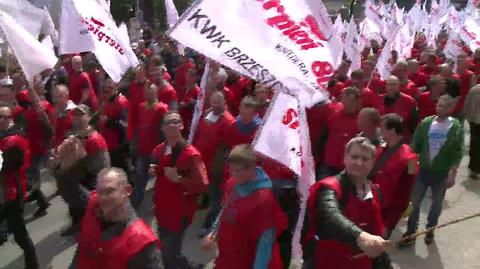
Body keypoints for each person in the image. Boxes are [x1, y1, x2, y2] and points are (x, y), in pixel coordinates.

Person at [301, 137, 391, 269]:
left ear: (373, 163)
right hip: (325, 262)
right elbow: (330, 216)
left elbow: (376, 235)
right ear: (345, 158)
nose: (359, 162)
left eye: (365, 159)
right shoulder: (329, 187)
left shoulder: (375, 191)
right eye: (354, 157)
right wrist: (361, 237)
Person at [203, 144, 288, 269]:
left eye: (239, 170)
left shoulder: (264, 198)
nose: (234, 174)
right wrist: (213, 233)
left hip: (248, 259)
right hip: (228, 257)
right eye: (231, 169)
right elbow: (224, 209)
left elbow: (266, 241)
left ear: (252, 168)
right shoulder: (231, 183)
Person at [401, 95, 464, 246]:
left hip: (441, 174)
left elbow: (458, 152)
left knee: (436, 205)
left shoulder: (455, 127)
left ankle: (430, 229)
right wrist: (408, 165)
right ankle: (411, 232)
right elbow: (415, 146)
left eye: (444, 106)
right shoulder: (426, 123)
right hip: (422, 172)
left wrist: (452, 174)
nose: (440, 108)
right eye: (439, 105)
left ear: (451, 108)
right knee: (414, 204)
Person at [69, 168, 162, 269]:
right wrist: (63, 169)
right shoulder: (94, 206)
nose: (103, 198)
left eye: (109, 191)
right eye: (100, 192)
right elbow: (71, 191)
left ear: (127, 191)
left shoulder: (141, 241)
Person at [151, 111, 209, 269]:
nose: (171, 125)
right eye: (167, 122)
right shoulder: (159, 150)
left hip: (179, 212)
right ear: (162, 128)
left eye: (175, 121)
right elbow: (159, 171)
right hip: (162, 209)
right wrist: (155, 170)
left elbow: (203, 185)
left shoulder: (191, 154)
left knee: (170, 252)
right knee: (167, 249)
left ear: (182, 126)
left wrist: (179, 180)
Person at [53, 104, 111, 236]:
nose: (77, 118)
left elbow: (102, 164)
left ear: (89, 117)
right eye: (75, 115)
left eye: (81, 115)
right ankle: (77, 224)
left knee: (91, 208)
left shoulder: (95, 138)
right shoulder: (73, 135)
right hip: (75, 178)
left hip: (89, 178)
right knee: (74, 205)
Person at [0, 104, 39, 269]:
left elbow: (9, 166)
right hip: (5, 191)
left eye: (2, 117)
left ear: (9, 119)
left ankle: (33, 264)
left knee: (20, 234)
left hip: (12, 191)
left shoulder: (14, 139)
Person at [193, 91, 235, 234]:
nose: (215, 105)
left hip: (215, 167)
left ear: (224, 103)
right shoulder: (206, 114)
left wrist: (219, 165)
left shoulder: (229, 122)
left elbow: (226, 147)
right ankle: (204, 202)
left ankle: (209, 226)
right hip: (202, 162)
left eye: (219, 102)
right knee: (206, 189)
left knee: (216, 197)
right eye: (213, 102)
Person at [372, 114, 418, 238]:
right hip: (373, 206)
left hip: (387, 212)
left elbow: (404, 195)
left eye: (382, 128)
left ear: (392, 130)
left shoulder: (410, 159)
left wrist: (388, 225)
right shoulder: (381, 148)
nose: (379, 131)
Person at [18, 88, 55, 218]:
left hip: (41, 149)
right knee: (33, 176)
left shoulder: (46, 108)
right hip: (31, 148)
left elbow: (51, 131)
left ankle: (40, 201)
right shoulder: (27, 112)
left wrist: (43, 117)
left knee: (31, 177)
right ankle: (40, 200)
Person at [131, 84, 168, 208]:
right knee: (140, 175)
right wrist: (135, 142)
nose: (149, 94)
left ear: (156, 92)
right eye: (147, 92)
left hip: (155, 150)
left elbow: (163, 131)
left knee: (157, 177)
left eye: (151, 92)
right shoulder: (141, 107)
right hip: (142, 148)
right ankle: (136, 201)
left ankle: (157, 202)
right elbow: (138, 127)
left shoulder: (162, 108)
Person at [317, 87, 361, 178]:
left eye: (350, 100)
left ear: (357, 102)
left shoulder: (362, 120)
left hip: (347, 169)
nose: (345, 102)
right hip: (328, 164)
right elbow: (323, 137)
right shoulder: (334, 113)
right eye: (344, 99)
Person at [93, 77, 129, 171]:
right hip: (105, 141)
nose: (108, 89)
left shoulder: (122, 102)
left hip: (117, 144)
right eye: (106, 87)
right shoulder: (105, 99)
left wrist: (108, 121)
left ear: (116, 86)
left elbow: (125, 124)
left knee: (119, 169)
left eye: (110, 87)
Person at [380, 76, 418, 141]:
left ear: (399, 86)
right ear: (385, 86)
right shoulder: (379, 100)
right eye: (389, 84)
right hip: (383, 138)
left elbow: (414, 122)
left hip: (403, 138)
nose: (391, 87)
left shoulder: (409, 101)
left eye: (394, 84)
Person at [464, 85, 480, 180]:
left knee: (475, 144)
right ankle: (475, 168)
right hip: (476, 121)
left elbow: (468, 105)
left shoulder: (475, 89)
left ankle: (474, 168)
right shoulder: (476, 90)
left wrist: (469, 118)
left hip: (474, 121)